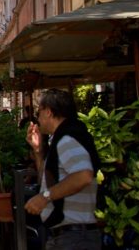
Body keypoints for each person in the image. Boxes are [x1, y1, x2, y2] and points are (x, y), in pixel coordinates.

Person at [24, 89, 100, 250]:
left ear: (49, 112)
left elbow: (84, 176)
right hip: (68, 235)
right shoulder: (62, 139)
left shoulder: (67, 139)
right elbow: (47, 181)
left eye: (39, 113)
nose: (37, 118)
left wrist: (45, 197)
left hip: (74, 236)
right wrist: (38, 152)